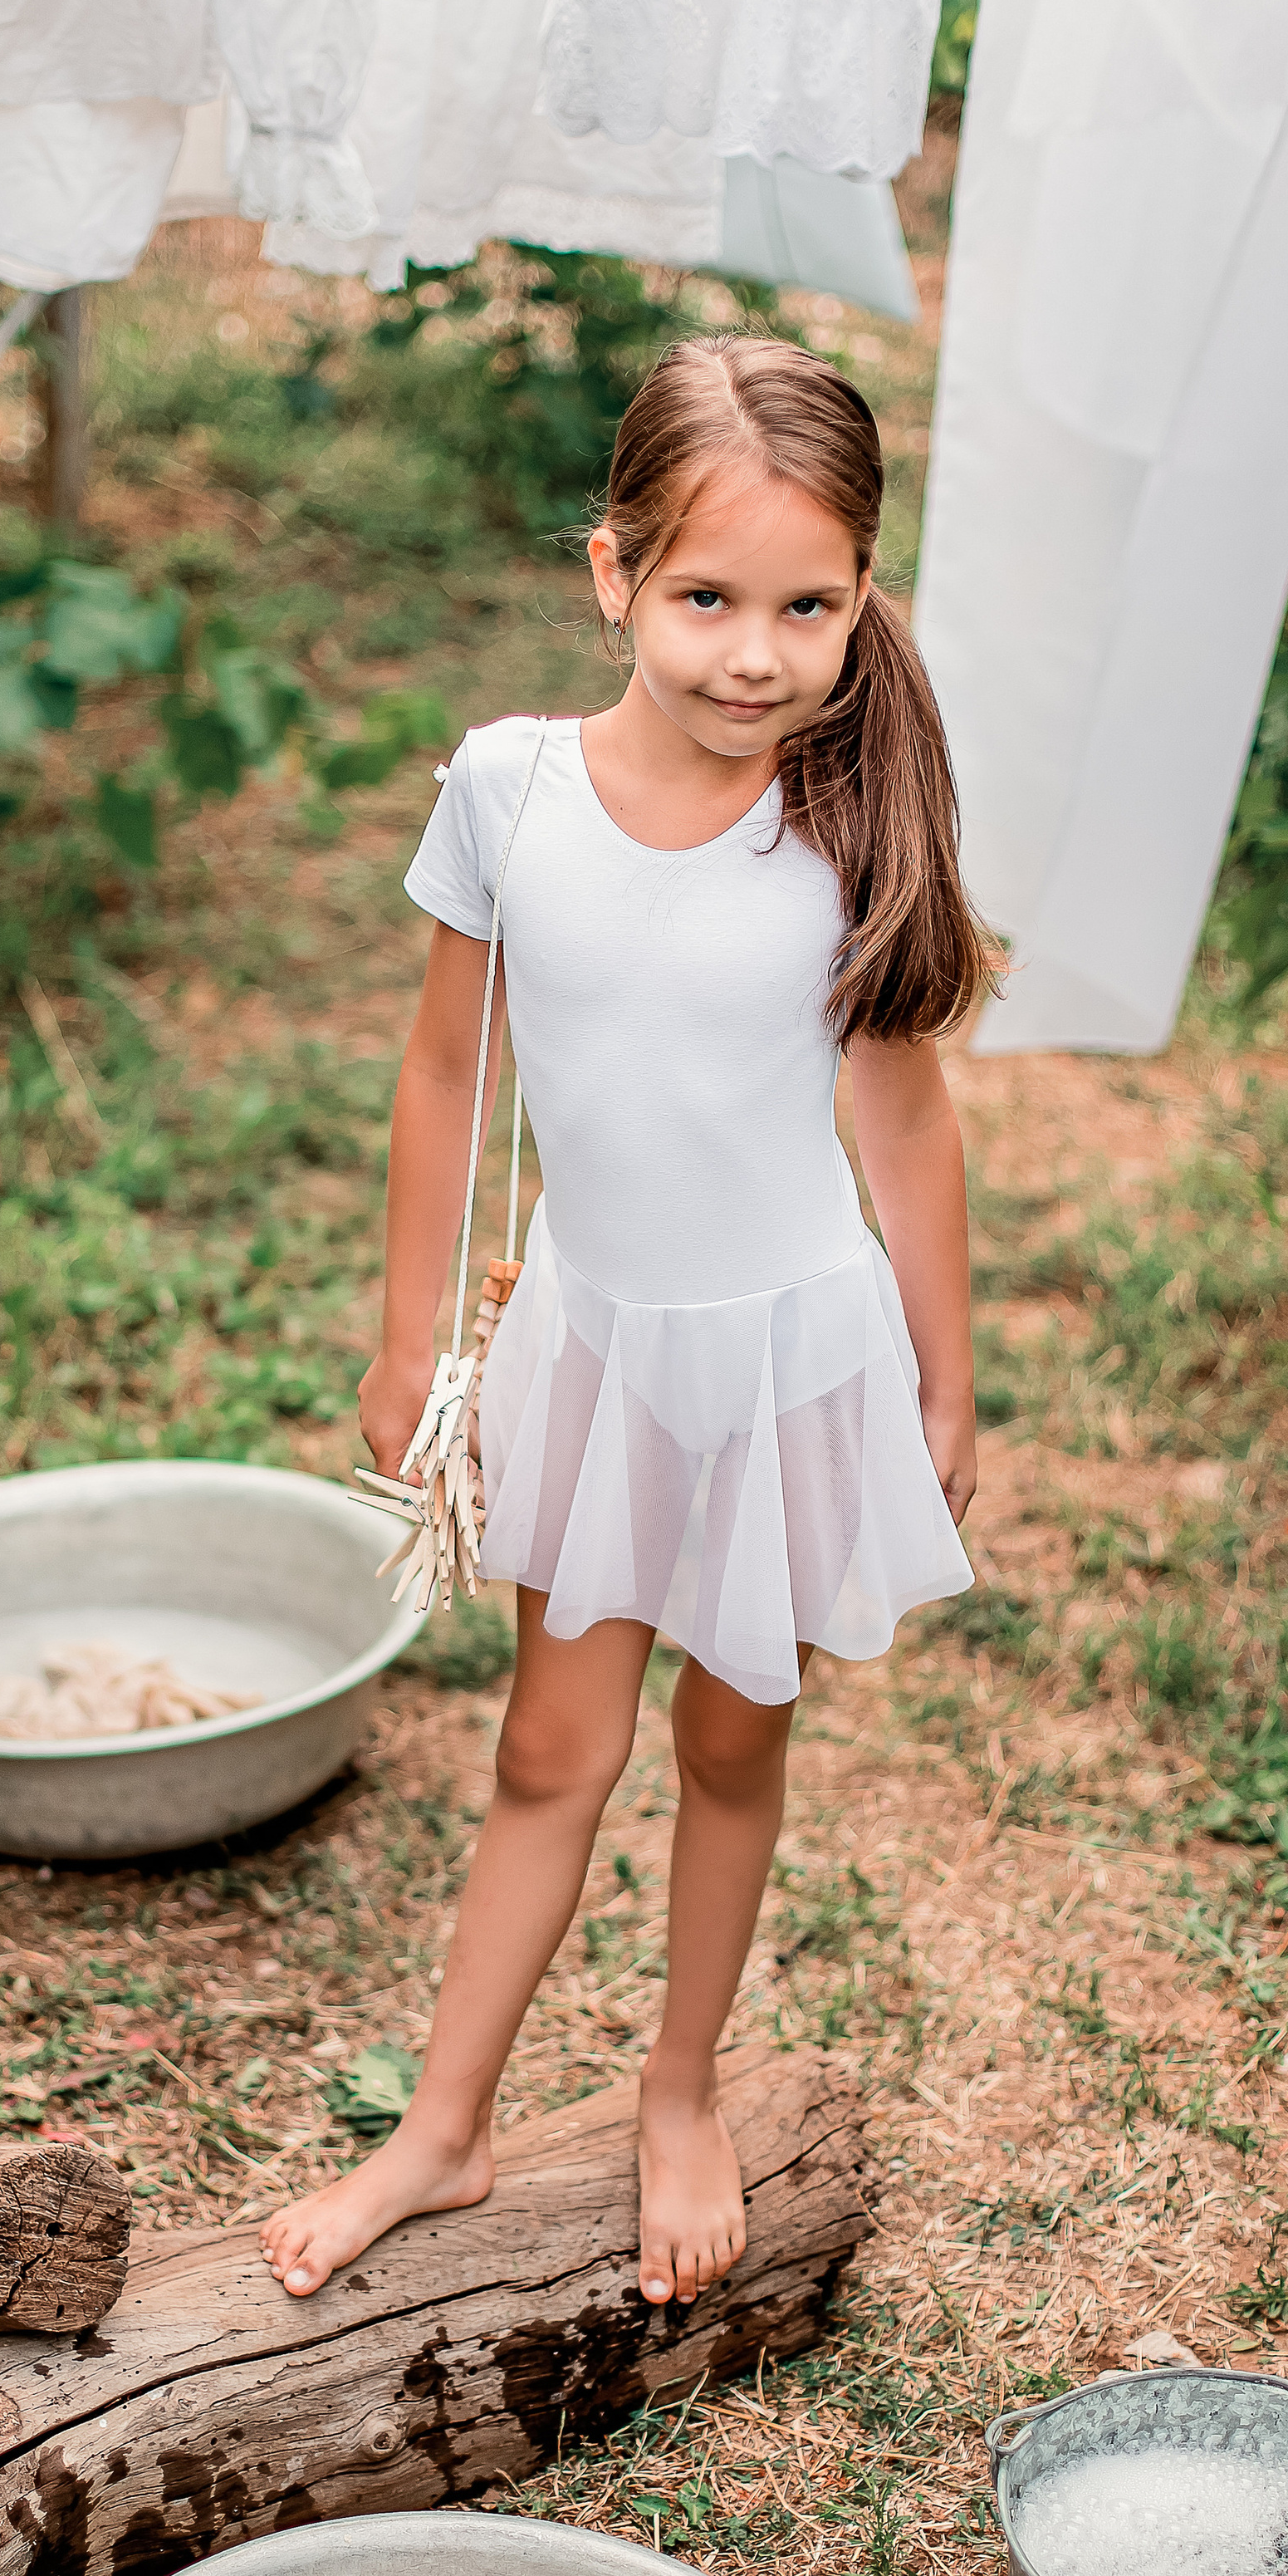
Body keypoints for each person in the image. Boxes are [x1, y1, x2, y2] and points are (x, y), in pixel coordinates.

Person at [262, 333, 993, 2308]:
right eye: (703, 599)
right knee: (546, 1751)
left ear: (857, 602)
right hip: (589, 1353)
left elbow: (904, 1120)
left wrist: (945, 1369)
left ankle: (681, 2090)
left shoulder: (841, 832)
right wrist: (411, 1332)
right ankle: (443, 2126)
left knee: (731, 1751)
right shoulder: (508, 794)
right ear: (611, 578)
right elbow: (443, 1072)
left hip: (782, 1372)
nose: (753, 654)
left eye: (804, 606)